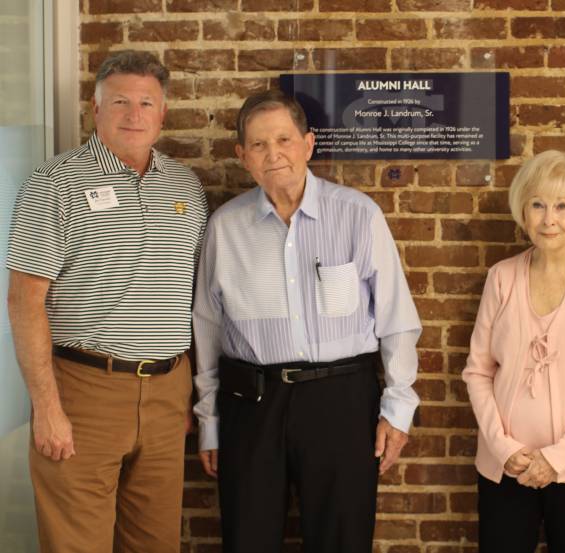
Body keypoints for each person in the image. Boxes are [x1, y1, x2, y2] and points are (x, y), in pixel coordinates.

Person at [192, 89, 421, 553]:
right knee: (247, 540)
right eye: (258, 144)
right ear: (242, 156)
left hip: (341, 401)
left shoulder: (358, 215)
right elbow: (207, 331)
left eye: (283, 139)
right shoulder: (225, 227)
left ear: (308, 144)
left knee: (342, 539)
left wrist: (397, 408)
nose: (273, 154)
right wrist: (209, 421)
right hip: (251, 404)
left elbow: (396, 318)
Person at [6, 50, 208, 553]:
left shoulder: (185, 186)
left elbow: (198, 298)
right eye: (119, 101)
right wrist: (46, 408)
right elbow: (24, 301)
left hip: (166, 394)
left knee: (155, 543)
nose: (133, 114)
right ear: (94, 111)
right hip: (84, 391)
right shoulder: (56, 184)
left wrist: (186, 395)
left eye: (146, 102)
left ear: (163, 114)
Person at [463, 150, 565, 553]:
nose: (548, 219)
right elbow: (477, 372)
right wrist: (505, 448)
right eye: (537, 204)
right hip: (507, 466)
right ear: (523, 211)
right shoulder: (501, 277)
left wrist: (557, 458)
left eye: (561, 206)